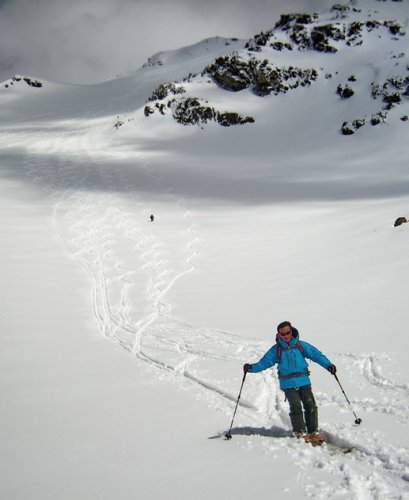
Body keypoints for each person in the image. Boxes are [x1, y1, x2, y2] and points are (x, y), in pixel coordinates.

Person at [243, 321, 336, 440]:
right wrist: (251, 368)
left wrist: (328, 365)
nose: (286, 335)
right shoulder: (276, 349)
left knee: (310, 405)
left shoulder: (300, 345)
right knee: (296, 406)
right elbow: (265, 362)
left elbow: (316, 355)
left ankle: (313, 432)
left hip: (303, 380)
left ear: (291, 331)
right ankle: (299, 432)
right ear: (279, 335)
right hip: (288, 383)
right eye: (283, 334)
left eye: (288, 332)